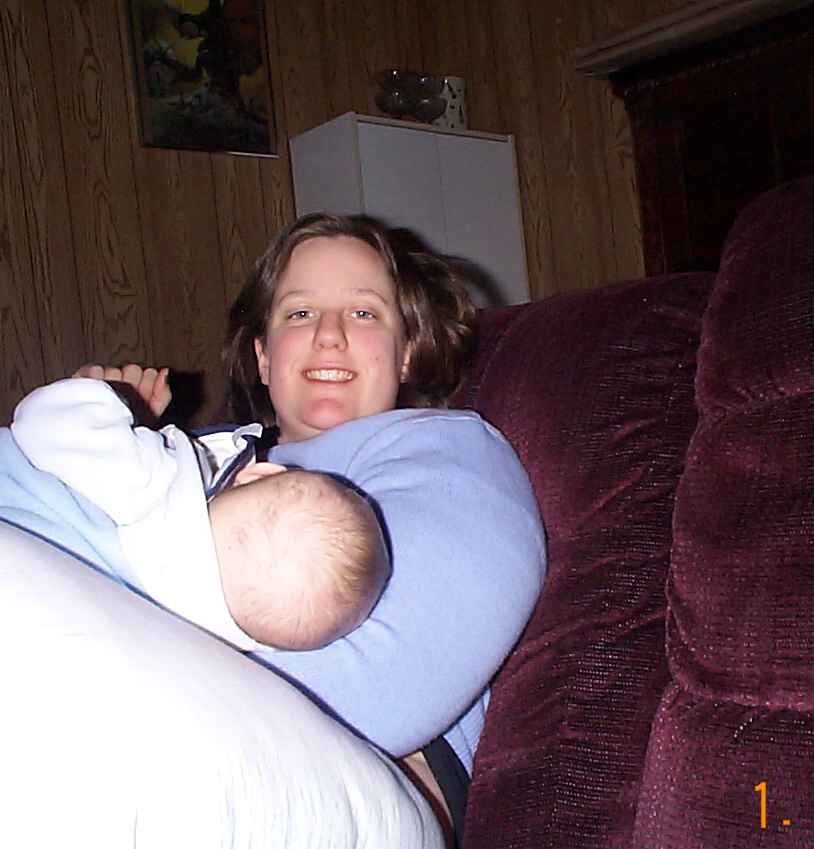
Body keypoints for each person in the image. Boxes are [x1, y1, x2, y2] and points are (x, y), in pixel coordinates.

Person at [187, 213, 546, 843]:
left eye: (362, 313)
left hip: (355, 775)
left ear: (406, 352)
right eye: (300, 313)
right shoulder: (188, 463)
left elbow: (388, 683)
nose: (329, 335)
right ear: (263, 357)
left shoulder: (452, 451)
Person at [0, 372, 391, 653]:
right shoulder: (199, 640)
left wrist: (111, 400)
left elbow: (42, 420)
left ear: (259, 473)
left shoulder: (147, 483)